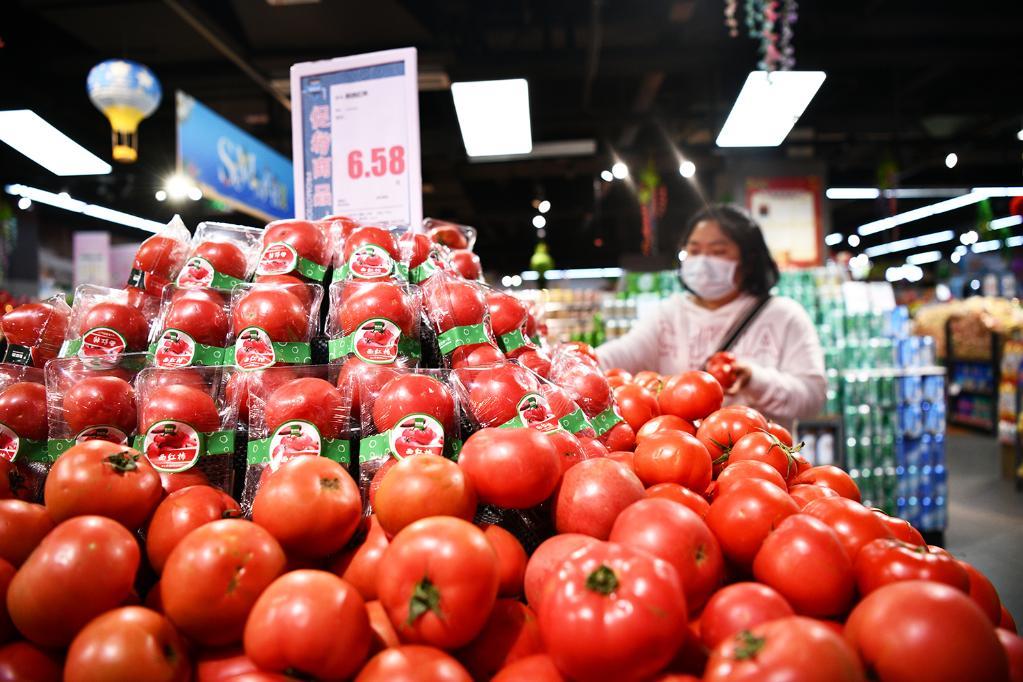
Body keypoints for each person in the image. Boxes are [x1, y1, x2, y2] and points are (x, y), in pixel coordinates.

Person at [597, 204, 826, 425]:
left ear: (749, 260)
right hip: (679, 457)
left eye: (718, 252)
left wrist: (756, 380)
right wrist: (576, 360)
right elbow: (622, 353)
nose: (703, 261)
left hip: (762, 456)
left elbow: (813, 397)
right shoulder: (667, 315)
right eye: (694, 251)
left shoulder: (784, 316)